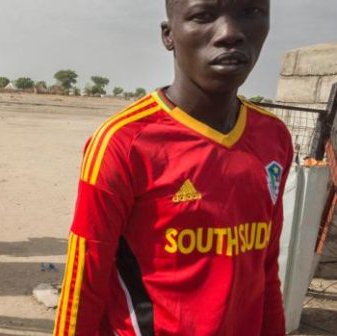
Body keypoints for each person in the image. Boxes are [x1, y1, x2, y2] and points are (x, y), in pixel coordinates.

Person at [54, 1, 291, 335]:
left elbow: (265, 268)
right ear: (169, 35)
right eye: (203, 16)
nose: (230, 33)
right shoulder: (124, 143)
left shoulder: (274, 137)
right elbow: (84, 282)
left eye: (250, 12)